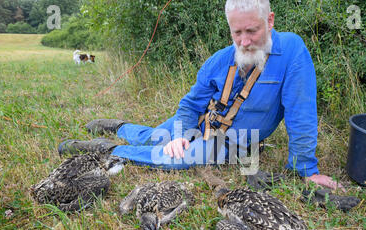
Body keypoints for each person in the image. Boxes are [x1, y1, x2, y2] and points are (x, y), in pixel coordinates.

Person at [59, 0, 344, 191]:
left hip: (237, 141)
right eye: (237, 33)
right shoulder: (219, 61)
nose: (244, 42)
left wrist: (306, 168)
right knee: (158, 136)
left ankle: (104, 149)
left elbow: (301, 113)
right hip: (200, 122)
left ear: (269, 21)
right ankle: (119, 127)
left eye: (253, 31)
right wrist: (182, 132)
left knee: (172, 159)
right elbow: (190, 103)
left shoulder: (293, 51)